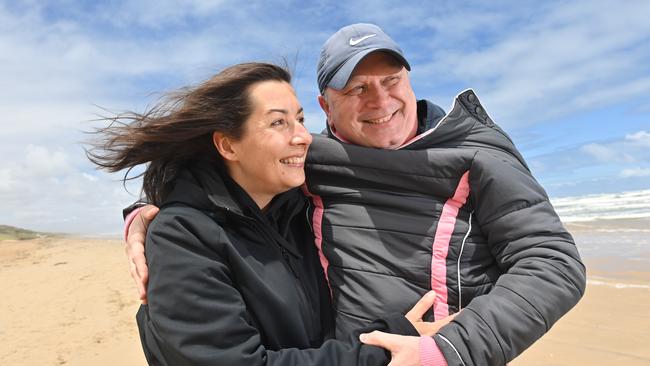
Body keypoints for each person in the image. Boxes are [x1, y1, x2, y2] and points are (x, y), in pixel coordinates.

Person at [125, 24, 586, 366]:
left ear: (409, 80)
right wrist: (150, 215)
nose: (381, 102)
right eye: (358, 89)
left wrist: (447, 350)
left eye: (391, 81)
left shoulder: (478, 157)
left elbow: (552, 264)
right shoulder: (309, 162)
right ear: (327, 106)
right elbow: (228, 182)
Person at [87, 62, 444, 365]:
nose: (303, 136)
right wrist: (386, 347)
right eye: (278, 123)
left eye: (301, 119)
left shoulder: (299, 206)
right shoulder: (183, 236)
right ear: (228, 144)